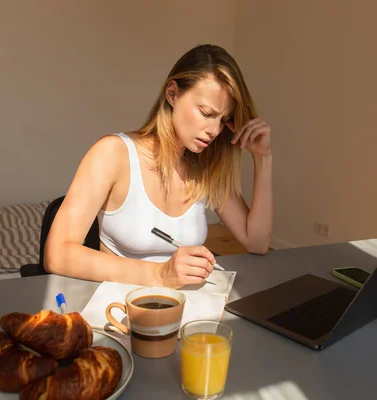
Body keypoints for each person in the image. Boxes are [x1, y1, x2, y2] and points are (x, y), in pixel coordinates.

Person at [44, 44, 273, 289]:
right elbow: (58, 254)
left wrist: (263, 158)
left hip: (186, 309)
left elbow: (256, 243)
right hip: (122, 312)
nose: (215, 130)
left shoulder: (206, 166)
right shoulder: (113, 153)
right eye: (206, 113)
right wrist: (159, 275)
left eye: (224, 119)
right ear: (172, 94)